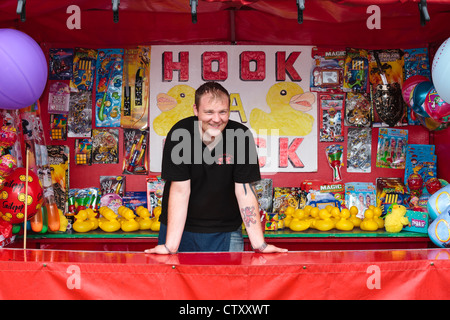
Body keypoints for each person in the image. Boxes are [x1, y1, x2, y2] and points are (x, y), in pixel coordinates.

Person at [145, 82, 287, 254]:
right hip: (180, 229)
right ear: (196, 110)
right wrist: (170, 246)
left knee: (228, 280)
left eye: (222, 112)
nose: (217, 119)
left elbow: (244, 191)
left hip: (226, 229)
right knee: (174, 279)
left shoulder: (240, 136)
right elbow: (180, 191)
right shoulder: (180, 134)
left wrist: (259, 244)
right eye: (209, 112)